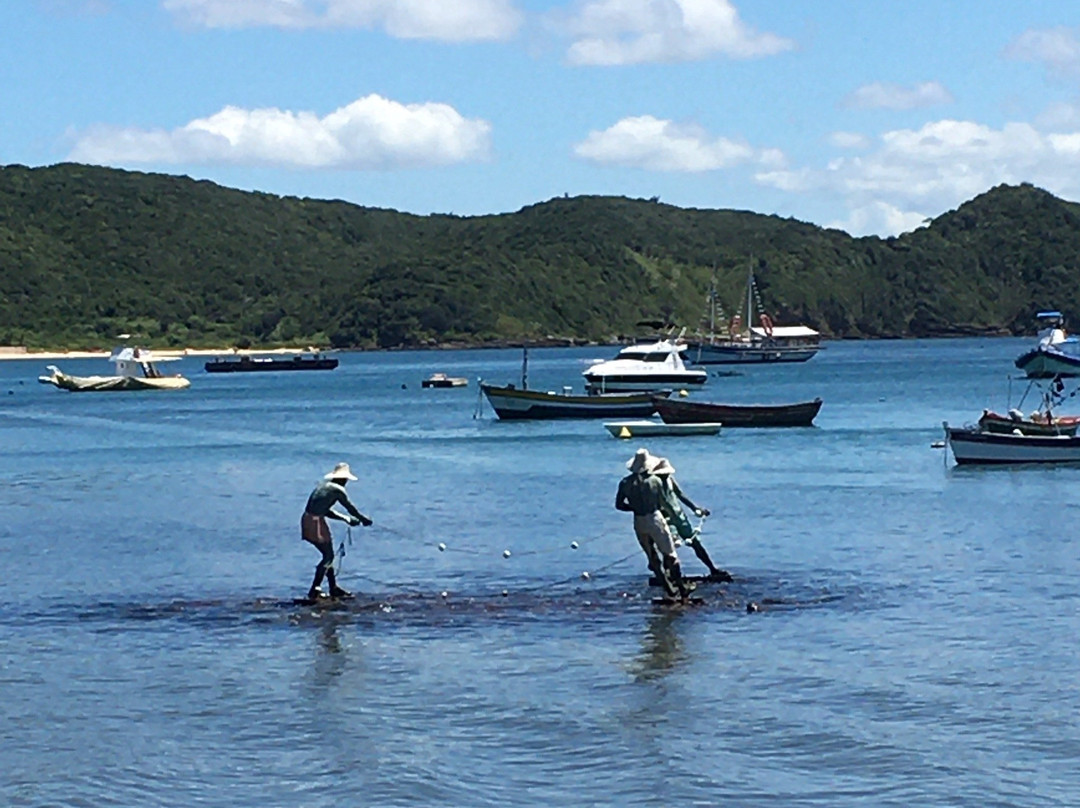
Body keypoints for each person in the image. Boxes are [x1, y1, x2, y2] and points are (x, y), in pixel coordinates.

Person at [615, 448, 690, 600]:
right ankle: (681, 588)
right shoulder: (655, 481)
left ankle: (669, 589)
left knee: (652, 556)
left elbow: (619, 505)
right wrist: (674, 516)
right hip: (655, 518)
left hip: (638, 520)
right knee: (670, 555)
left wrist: (634, 507)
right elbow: (665, 503)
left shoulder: (625, 483)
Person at [651, 457, 732, 582]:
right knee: (669, 547)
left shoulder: (670, 480)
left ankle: (712, 569)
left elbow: (680, 495)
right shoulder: (653, 483)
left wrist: (695, 508)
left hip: (679, 516)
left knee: (695, 543)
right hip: (666, 518)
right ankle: (668, 575)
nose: (665, 475)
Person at [301, 462, 372, 600]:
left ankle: (333, 587)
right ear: (343, 479)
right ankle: (315, 590)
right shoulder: (338, 490)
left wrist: (346, 519)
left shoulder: (323, 486)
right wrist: (363, 519)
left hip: (309, 519)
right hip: (315, 522)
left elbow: (324, 510)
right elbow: (350, 507)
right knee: (328, 556)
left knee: (329, 555)